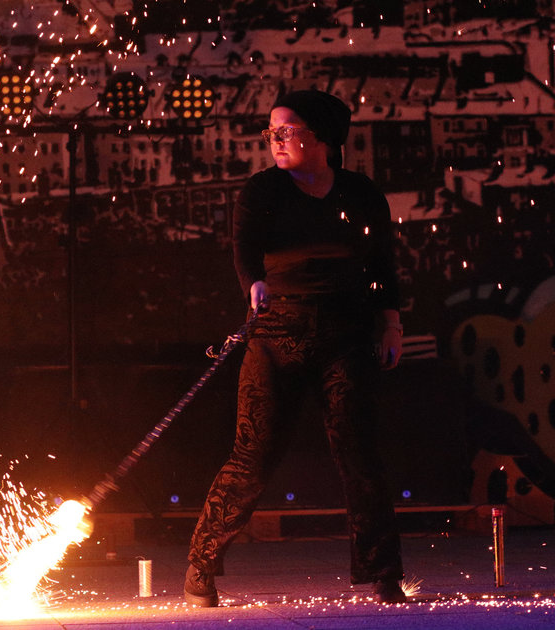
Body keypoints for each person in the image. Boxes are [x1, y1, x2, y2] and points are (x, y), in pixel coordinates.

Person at [184, 89, 407, 607]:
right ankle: (201, 564)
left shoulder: (360, 194)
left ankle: (384, 572)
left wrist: (391, 323)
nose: (275, 140)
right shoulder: (263, 190)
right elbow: (244, 249)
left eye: (287, 131)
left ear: (321, 136)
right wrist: (254, 284)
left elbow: (381, 265)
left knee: (360, 454)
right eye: (271, 132)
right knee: (253, 453)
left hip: (345, 334)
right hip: (277, 333)